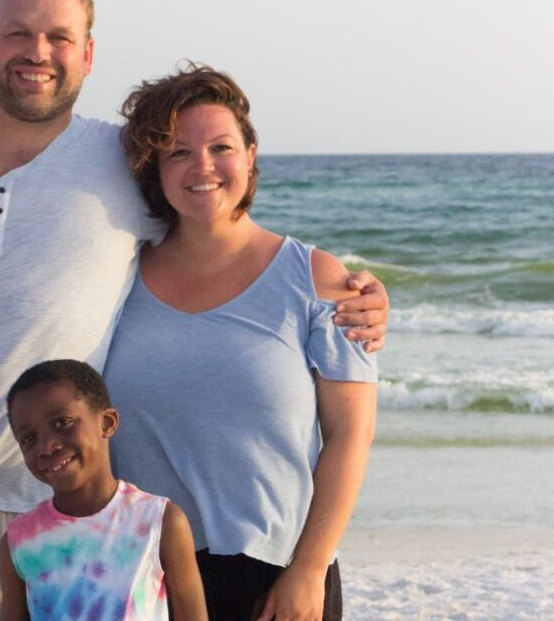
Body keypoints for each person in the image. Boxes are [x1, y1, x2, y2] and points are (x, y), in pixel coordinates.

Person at [0, 0, 390, 620]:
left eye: (59, 37)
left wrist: (342, 288)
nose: (37, 53)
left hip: (65, 522)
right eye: (18, 34)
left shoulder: (120, 161)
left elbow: (217, 219)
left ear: (88, 53)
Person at [104, 64, 379, 621]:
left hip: (278, 578)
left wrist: (308, 571)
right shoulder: (115, 276)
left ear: (250, 154)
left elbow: (350, 436)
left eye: (220, 147)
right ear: (153, 168)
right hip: (144, 576)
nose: (202, 166)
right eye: (178, 152)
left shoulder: (316, 277)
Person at [0, 359, 207, 621]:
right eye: (29, 437)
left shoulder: (160, 521)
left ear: (107, 423)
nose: (47, 446)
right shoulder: (19, 541)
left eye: (62, 423)